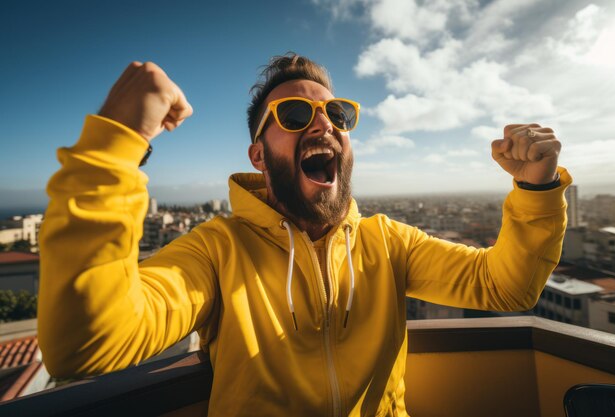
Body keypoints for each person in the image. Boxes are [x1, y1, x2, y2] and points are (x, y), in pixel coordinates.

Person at [38, 53, 570, 416]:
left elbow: (505, 287)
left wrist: (537, 188)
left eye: (336, 113)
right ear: (258, 157)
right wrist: (116, 145)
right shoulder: (216, 250)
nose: (325, 125)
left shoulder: (389, 243)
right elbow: (86, 345)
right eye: (294, 114)